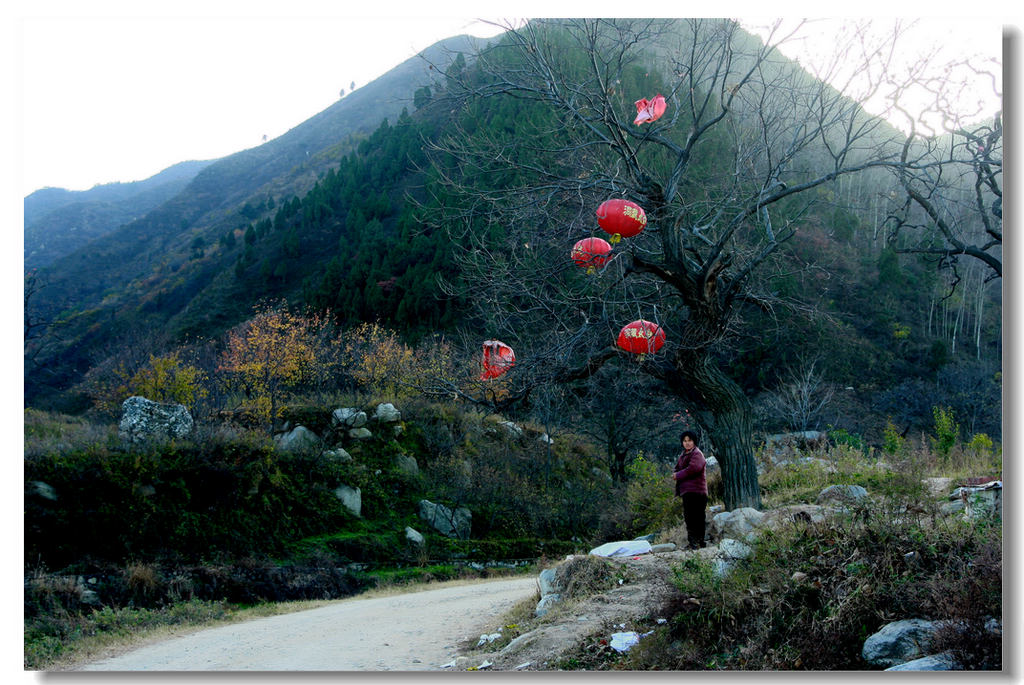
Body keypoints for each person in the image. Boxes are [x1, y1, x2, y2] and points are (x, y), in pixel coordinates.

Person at [673, 431, 708, 549]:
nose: (687, 443)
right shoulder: (683, 455)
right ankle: (694, 542)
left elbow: (693, 469)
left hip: (697, 491)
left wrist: (678, 475)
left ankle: (698, 542)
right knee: (689, 518)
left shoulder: (697, 454)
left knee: (697, 518)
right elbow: (677, 467)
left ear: (694, 441)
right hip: (687, 491)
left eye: (690, 440)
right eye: (685, 441)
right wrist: (675, 472)